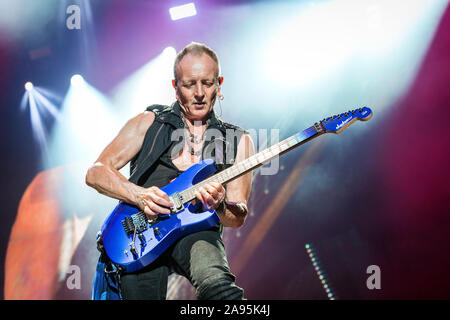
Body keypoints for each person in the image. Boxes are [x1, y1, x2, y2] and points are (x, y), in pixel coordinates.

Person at [86, 42, 255, 300]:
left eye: (207, 83)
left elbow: (237, 217)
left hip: (196, 232)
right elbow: (96, 172)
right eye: (190, 84)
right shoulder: (149, 121)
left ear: (219, 85)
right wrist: (139, 195)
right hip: (140, 235)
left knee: (221, 290)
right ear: (176, 88)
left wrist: (220, 205)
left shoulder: (238, 140)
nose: (199, 93)